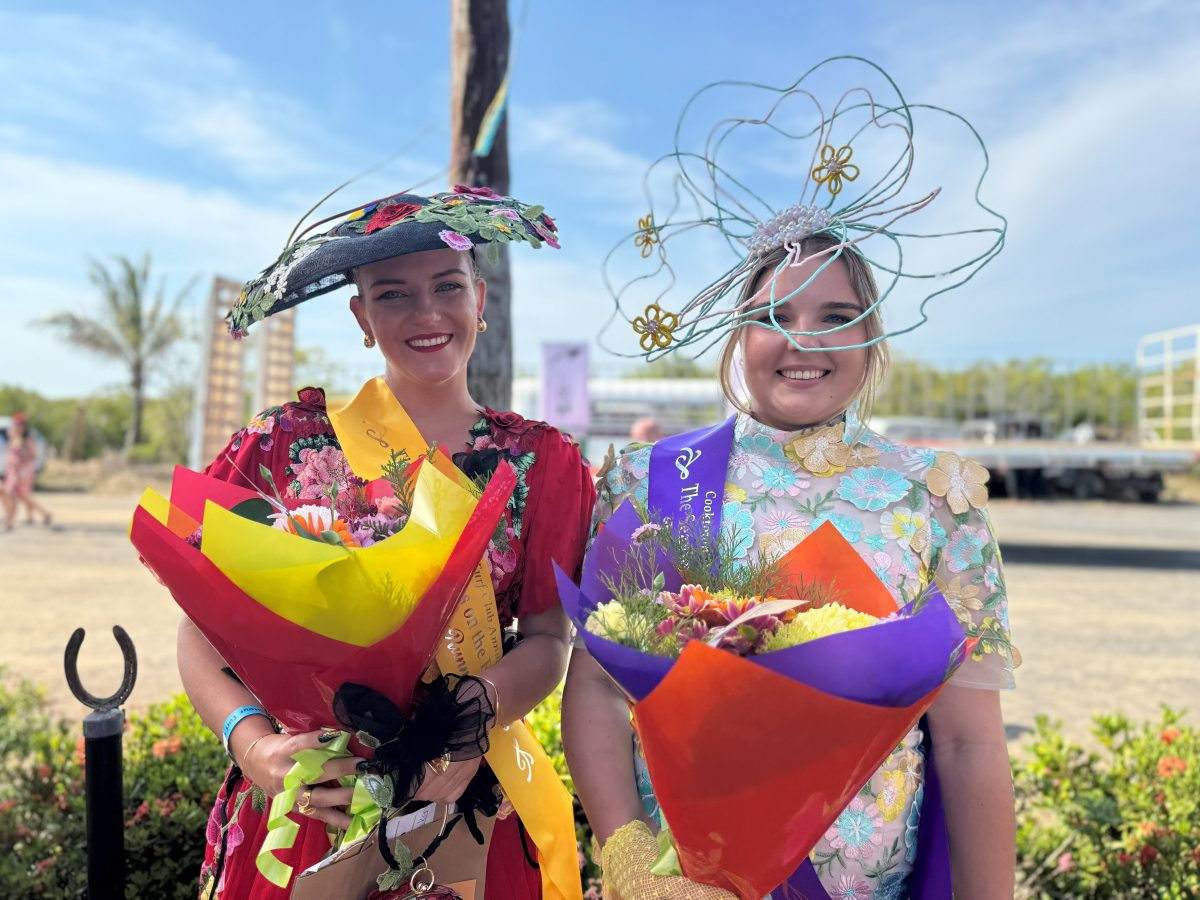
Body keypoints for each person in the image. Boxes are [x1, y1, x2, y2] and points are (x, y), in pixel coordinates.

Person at [563, 60, 1017, 898]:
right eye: (775, 315)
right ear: (740, 335)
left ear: (873, 339)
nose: (802, 341)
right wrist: (625, 856)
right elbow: (594, 686)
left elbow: (967, 744)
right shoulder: (658, 479)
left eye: (836, 318)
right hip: (682, 883)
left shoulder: (935, 498)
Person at [178, 186, 594, 899]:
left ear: (480, 298)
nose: (426, 314)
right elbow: (201, 633)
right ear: (361, 316)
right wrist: (256, 748)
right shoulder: (281, 445)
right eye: (393, 295)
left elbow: (550, 640)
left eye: (447, 287)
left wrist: (473, 712)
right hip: (313, 794)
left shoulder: (542, 463)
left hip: (468, 797)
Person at [3, 413, 51, 530]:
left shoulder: (27, 440)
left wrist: (22, 468)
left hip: (20, 473)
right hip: (11, 472)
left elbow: (32, 457)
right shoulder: (13, 437)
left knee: (13, 495)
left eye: (17, 425)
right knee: (20, 496)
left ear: (23, 427)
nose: (14, 427)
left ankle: (10, 521)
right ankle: (43, 513)